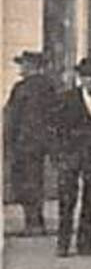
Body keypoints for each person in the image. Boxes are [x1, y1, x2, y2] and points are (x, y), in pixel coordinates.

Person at [51, 57, 91, 257]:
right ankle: (62, 245)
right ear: (80, 77)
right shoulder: (67, 98)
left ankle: (85, 245)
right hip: (71, 156)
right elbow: (55, 128)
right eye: (88, 76)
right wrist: (60, 154)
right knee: (67, 200)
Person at [4, 50, 56, 236]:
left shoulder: (22, 88)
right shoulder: (49, 86)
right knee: (35, 181)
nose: (21, 68)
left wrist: (8, 141)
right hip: (41, 143)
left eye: (24, 64)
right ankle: (36, 222)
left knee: (26, 182)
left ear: (32, 66)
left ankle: (32, 223)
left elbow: (11, 116)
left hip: (24, 143)